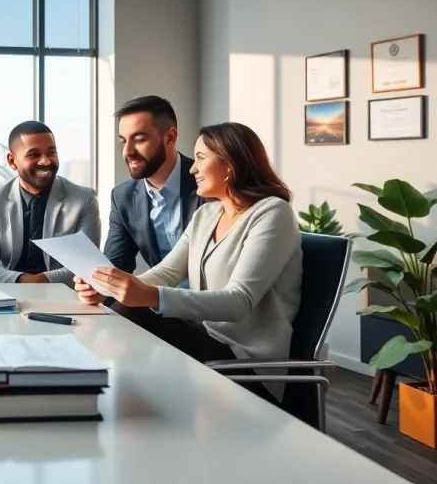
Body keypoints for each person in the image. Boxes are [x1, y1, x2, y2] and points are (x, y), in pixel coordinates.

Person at [75, 122, 302, 404]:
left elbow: (239, 301)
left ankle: (86, 386)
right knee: (134, 310)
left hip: (245, 361)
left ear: (230, 163)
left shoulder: (272, 212)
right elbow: (167, 272)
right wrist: (109, 288)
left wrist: (147, 295)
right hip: (205, 339)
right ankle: (102, 390)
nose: (192, 168)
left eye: (201, 158)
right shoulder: (207, 214)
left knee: (141, 311)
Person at [0, 121, 101, 287]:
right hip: (10, 293)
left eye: (52, 152)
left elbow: (88, 265)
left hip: (63, 295)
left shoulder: (84, 199)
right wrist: (25, 282)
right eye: (34, 155)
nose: (46, 161)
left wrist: (39, 282)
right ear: (12, 161)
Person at [103, 96, 205, 274]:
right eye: (123, 141)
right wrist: (97, 282)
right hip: (157, 290)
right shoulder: (122, 197)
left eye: (139, 140)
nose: (127, 152)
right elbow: (116, 265)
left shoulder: (208, 182)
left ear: (170, 137)